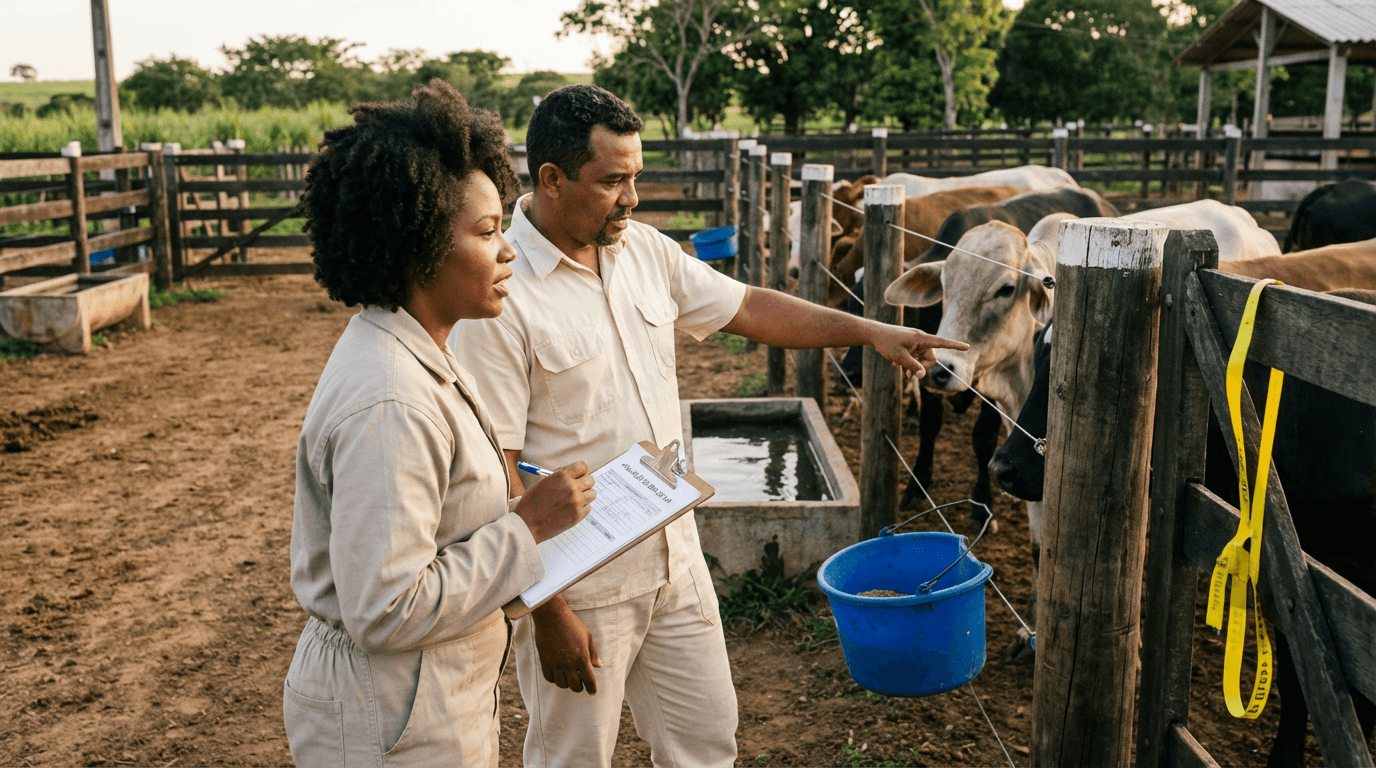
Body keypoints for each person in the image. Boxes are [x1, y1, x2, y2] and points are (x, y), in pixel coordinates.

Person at [450, 84, 968, 768]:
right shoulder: (500, 296)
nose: (632, 199)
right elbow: (499, 471)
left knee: (707, 743)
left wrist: (870, 331)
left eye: (636, 178)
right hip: (581, 587)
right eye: (612, 182)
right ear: (551, 180)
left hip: (676, 557)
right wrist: (547, 611)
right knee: (571, 756)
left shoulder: (644, 253)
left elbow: (748, 306)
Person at [283, 79, 597, 767]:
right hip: (389, 717)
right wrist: (528, 527)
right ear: (417, 243)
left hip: (421, 697)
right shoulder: (391, 400)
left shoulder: (415, 352)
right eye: (487, 233)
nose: (509, 250)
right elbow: (388, 607)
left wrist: (511, 514)